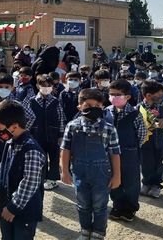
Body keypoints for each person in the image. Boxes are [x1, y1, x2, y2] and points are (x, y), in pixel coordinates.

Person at [60, 88, 121, 240]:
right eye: (87, 106)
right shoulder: (72, 126)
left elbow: (115, 154)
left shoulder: (109, 128)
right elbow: (65, 150)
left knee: (100, 205)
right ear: (79, 107)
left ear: (102, 107)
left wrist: (117, 175)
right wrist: (65, 171)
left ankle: (99, 232)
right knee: (83, 204)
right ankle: (85, 230)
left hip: (101, 174)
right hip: (79, 172)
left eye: (96, 106)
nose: (92, 110)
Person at [0, 99, 46, 240]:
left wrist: (13, 207)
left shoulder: (32, 150)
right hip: (5, 205)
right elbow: (1, 170)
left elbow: (30, 182)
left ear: (14, 126)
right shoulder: (10, 143)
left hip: (23, 211)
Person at [105, 80, 147, 222]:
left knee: (131, 183)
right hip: (110, 155)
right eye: (111, 94)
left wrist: (132, 148)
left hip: (130, 154)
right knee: (114, 181)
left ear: (127, 96)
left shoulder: (135, 114)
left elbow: (141, 135)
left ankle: (130, 208)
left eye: (118, 95)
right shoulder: (106, 112)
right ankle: (117, 205)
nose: (114, 97)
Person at [29, 75, 65, 191]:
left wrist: (60, 134)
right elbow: (27, 118)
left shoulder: (55, 101)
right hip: (36, 134)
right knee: (40, 156)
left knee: (54, 157)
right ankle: (41, 177)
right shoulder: (31, 101)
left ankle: (53, 179)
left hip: (53, 135)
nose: (46, 88)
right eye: (43, 86)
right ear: (37, 86)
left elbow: (61, 118)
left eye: (49, 86)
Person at [138, 80, 163, 198]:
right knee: (146, 163)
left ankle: (156, 185)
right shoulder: (138, 108)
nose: (162, 97)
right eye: (159, 94)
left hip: (160, 140)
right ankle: (146, 183)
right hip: (145, 142)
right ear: (148, 95)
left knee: (158, 164)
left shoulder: (162, 108)